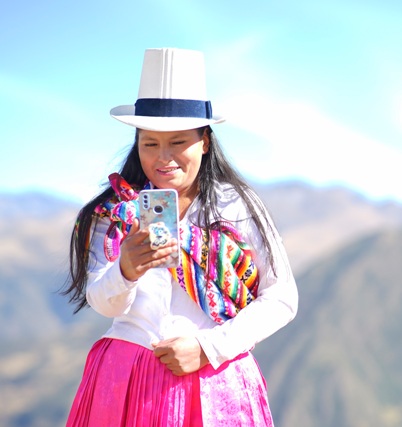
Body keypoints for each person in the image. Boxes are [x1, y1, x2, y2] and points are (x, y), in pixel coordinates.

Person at [62, 47, 298, 426]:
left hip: (214, 380)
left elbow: (281, 297)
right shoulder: (115, 212)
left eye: (178, 142)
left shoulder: (236, 206)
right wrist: (125, 269)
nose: (163, 158)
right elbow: (104, 303)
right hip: (125, 380)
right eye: (150, 143)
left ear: (205, 141)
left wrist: (208, 347)